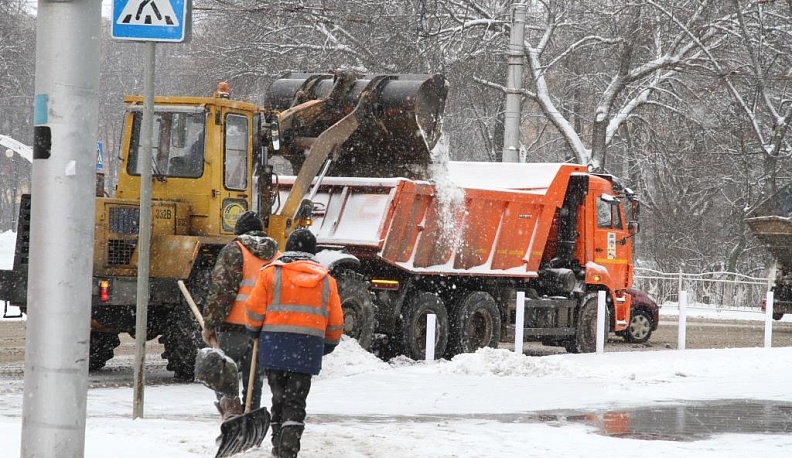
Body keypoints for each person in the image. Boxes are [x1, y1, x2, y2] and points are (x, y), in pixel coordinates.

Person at [245, 228, 344, 458]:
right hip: (307, 349)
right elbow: (336, 321)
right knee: (296, 400)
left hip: (274, 345)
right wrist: (328, 343)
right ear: (313, 251)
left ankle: (278, 441)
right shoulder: (327, 280)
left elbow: (253, 309)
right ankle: (289, 448)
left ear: (288, 247)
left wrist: (253, 330)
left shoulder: (270, 274)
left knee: (278, 397)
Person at [202, 211, 279, 419]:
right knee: (254, 381)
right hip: (262, 329)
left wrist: (210, 324)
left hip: (233, 328)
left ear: (239, 230)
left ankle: (231, 413)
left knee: (225, 374)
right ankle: (251, 416)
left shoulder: (234, 251)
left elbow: (221, 291)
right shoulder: (277, 256)